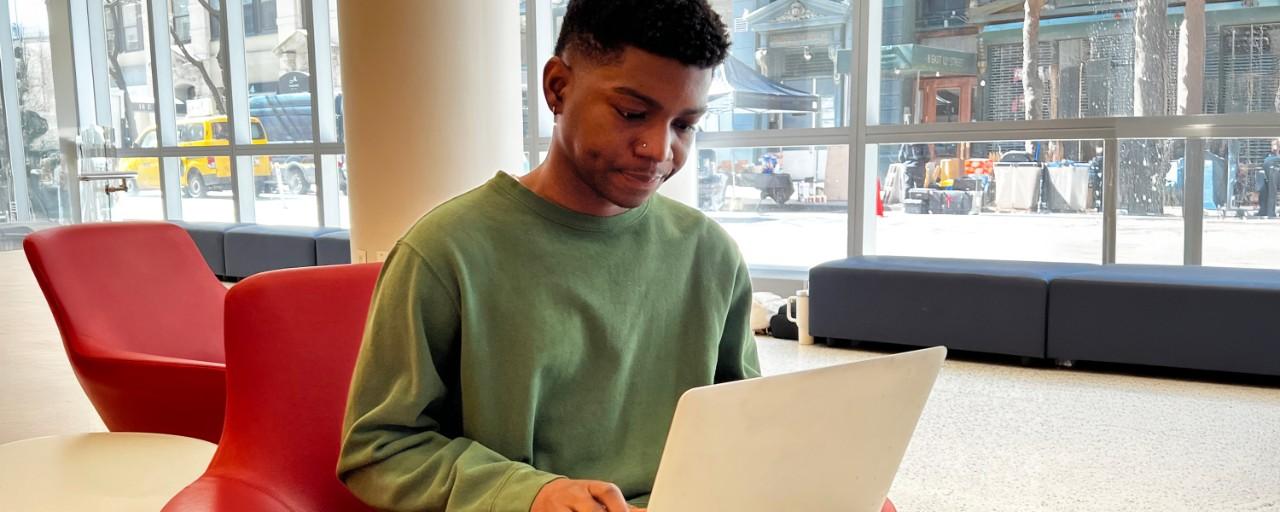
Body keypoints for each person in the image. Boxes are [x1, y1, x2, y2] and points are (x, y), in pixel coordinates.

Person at [336, 2, 760, 511]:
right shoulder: (445, 252)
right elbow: (377, 450)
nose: (659, 149)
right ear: (557, 87)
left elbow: (747, 426)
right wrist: (531, 494)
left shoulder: (710, 254)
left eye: (685, 125)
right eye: (632, 113)